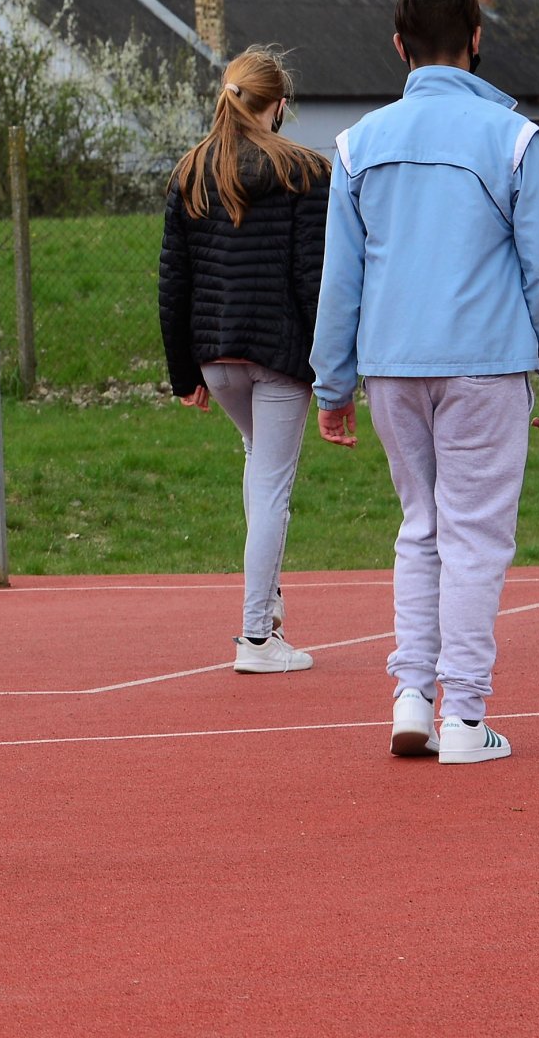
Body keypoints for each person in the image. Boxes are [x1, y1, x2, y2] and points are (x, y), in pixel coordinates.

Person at [311, 0, 539, 765]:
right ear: (476, 42)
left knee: (420, 529)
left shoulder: (358, 145)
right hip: (484, 365)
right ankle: (464, 714)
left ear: (400, 48)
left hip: (392, 366)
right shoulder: (514, 138)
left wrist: (333, 385)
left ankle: (410, 698)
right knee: (475, 537)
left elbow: (341, 280)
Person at [157, 46, 332, 674]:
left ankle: (270, 611)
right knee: (273, 485)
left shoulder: (188, 172)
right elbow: (316, 279)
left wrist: (184, 373)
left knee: (260, 465)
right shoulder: (307, 171)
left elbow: (172, 281)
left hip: (215, 357)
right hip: (279, 353)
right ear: (278, 105)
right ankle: (258, 636)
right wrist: (335, 370)